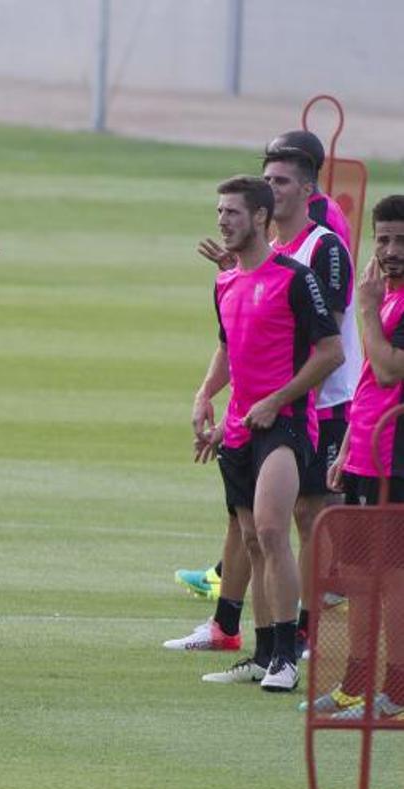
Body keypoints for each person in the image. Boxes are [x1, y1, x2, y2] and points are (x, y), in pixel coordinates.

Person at [165, 150, 357, 666]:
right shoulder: (247, 264)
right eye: (267, 178)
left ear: (306, 189)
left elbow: (323, 341)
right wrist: (210, 395)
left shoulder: (319, 251)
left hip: (319, 403)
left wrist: (279, 400)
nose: (274, 187)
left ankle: (301, 638)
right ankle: (234, 629)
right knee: (248, 526)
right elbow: (237, 340)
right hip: (252, 413)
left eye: (282, 180)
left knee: (304, 517)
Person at [307, 195, 404, 721]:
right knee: (363, 576)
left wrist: (364, 307)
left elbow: (390, 370)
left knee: (393, 580)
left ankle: (399, 692)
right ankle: (358, 684)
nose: (391, 250)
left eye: (402, 240)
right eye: (384, 239)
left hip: (398, 461)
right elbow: (372, 384)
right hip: (368, 454)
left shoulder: (386, 301)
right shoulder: (389, 296)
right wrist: (346, 447)